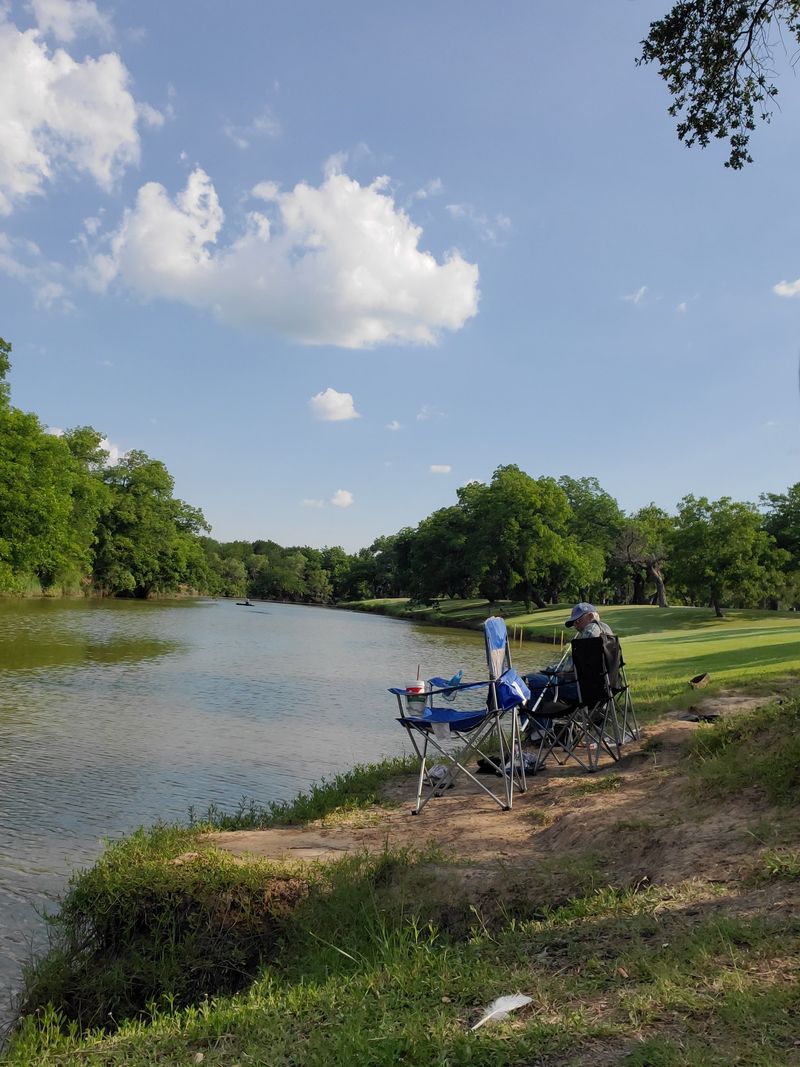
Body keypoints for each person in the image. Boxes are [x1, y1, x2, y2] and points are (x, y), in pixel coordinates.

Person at [522, 603, 614, 734]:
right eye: (574, 624)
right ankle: (542, 730)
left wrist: (552, 670)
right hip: (606, 687)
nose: (576, 626)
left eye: (577, 621)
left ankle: (539, 733)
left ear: (591, 616)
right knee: (541, 682)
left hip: (583, 691)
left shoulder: (590, 630)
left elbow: (570, 666)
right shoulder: (607, 630)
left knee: (531, 681)